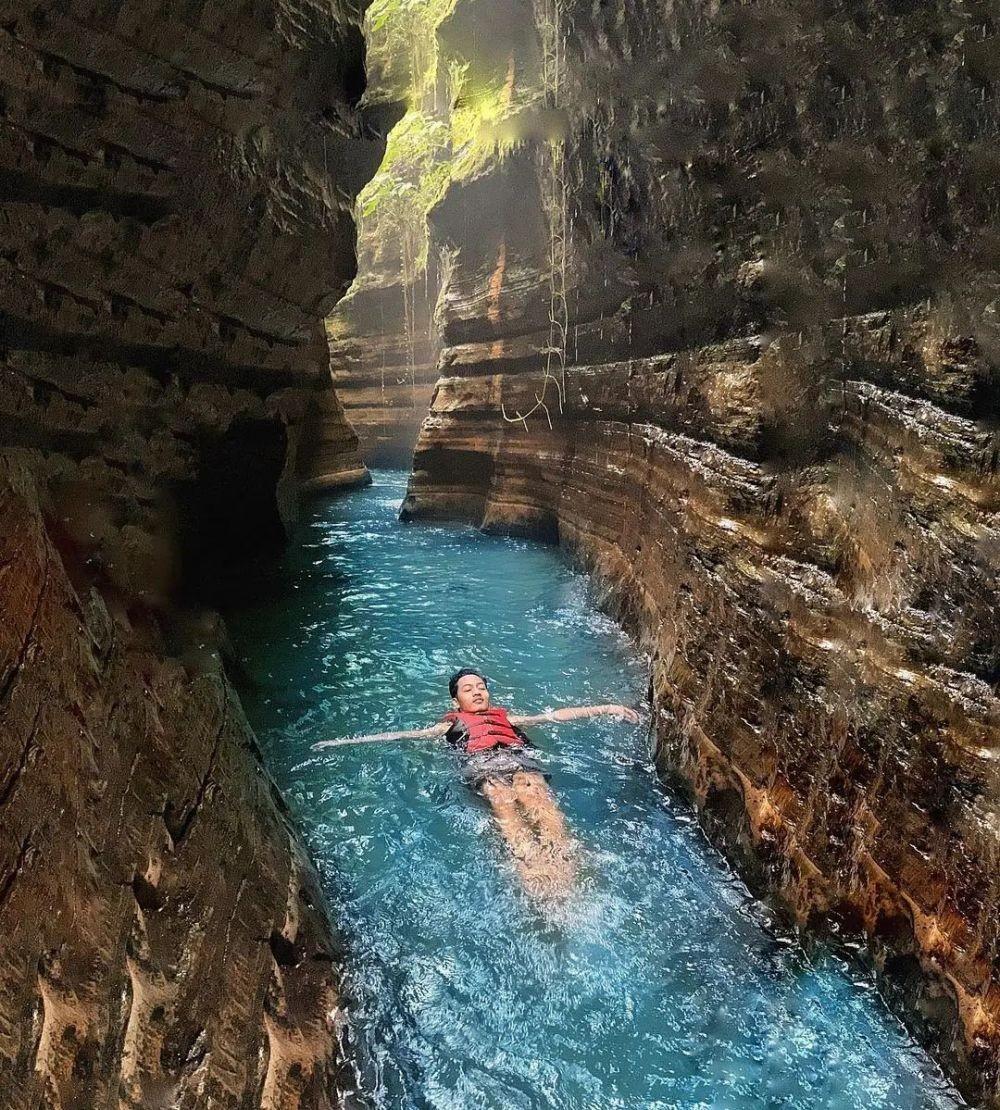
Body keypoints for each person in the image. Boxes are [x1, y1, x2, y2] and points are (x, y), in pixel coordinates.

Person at [314, 668, 640, 902]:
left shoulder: (507, 718)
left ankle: (564, 859)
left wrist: (606, 707)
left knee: (536, 794)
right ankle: (530, 867)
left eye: (481, 686)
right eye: (468, 689)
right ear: (456, 702)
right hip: (483, 768)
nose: (477, 691)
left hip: (518, 760)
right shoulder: (449, 725)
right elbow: (404, 735)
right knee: (503, 800)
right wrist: (340, 743)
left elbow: (555, 716)